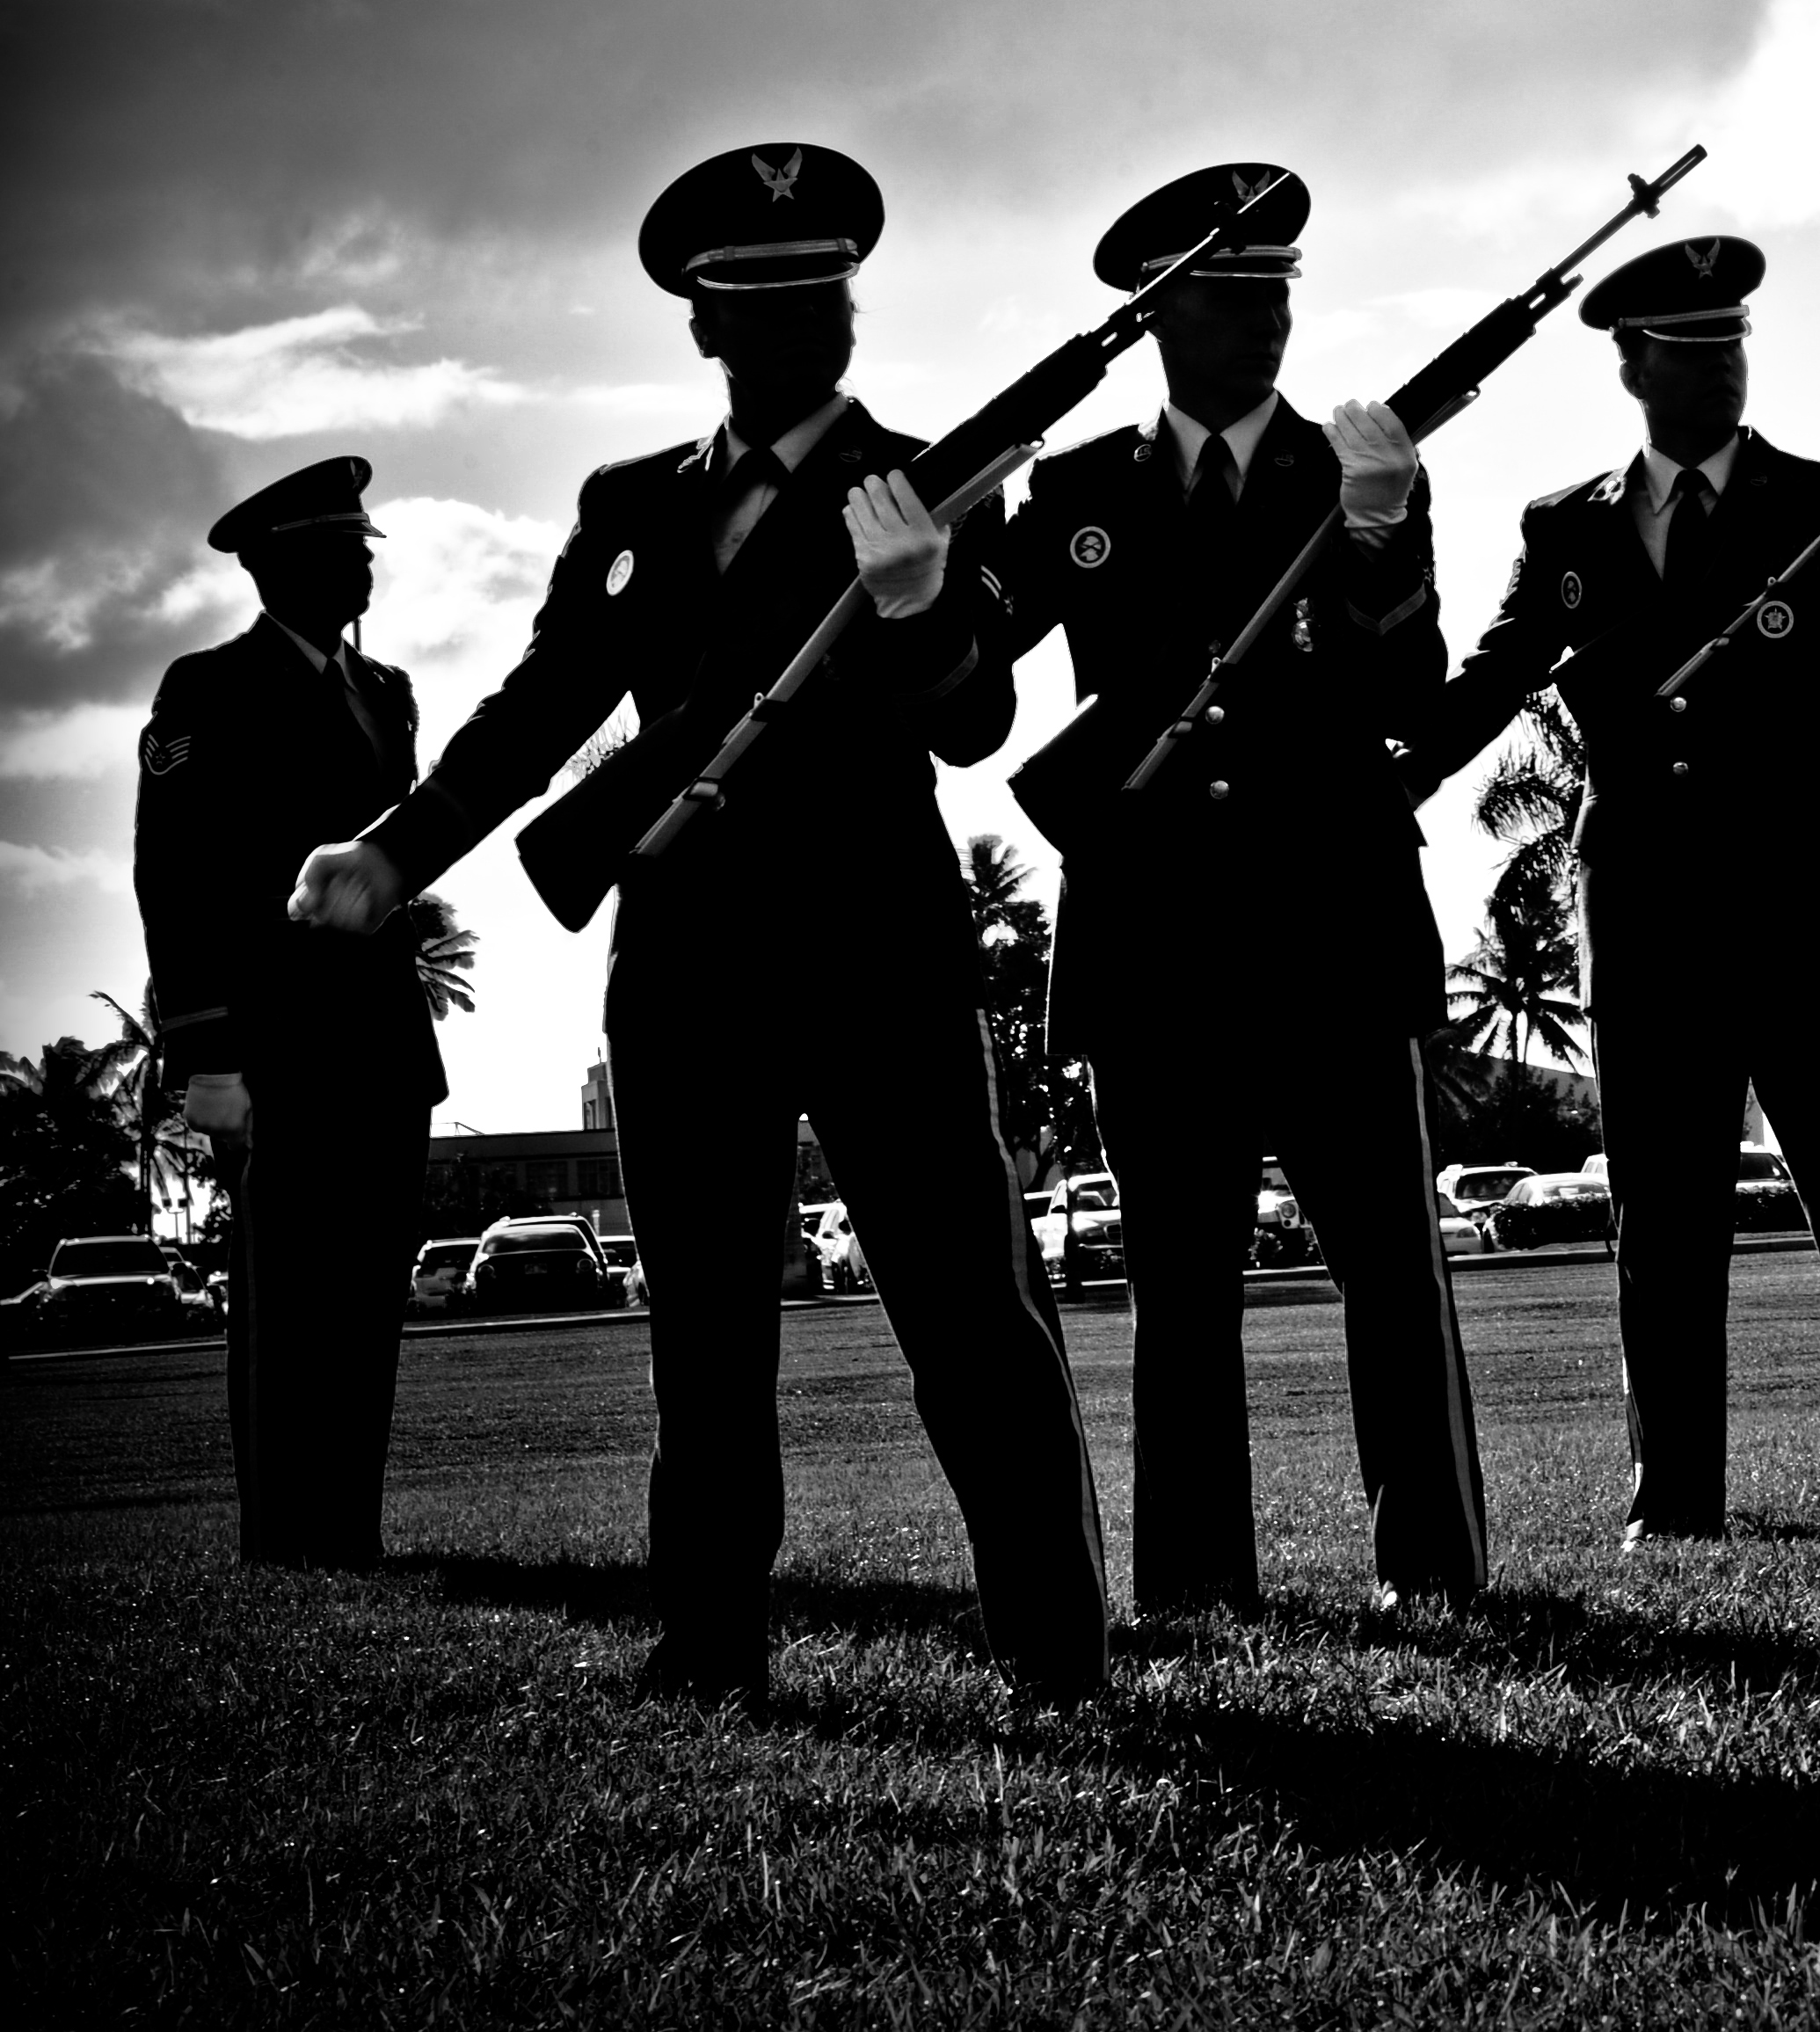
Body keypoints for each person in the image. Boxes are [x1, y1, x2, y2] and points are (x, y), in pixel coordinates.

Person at [289, 142, 1109, 1705]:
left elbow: (974, 723)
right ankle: (711, 1638)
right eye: (762, 301)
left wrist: (920, 599)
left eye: (824, 297)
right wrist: (398, 851)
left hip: (876, 948)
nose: (802, 326)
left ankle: (1056, 1646)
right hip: (684, 957)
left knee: (969, 1313)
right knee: (706, 1333)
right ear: (701, 323)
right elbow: (539, 709)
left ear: (853, 311)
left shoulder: (929, 478)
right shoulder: (632, 507)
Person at [1405, 233, 1820, 1540]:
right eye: (1689, 348)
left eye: (1732, 345)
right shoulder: (1567, 524)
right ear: (1631, 365)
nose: (1719, 368)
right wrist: (1395, 771)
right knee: (1661, 1214)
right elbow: (1499, 668)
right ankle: (1674, 1498)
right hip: (1648, 905)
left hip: (1804, 894)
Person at [986, 161, 1487, 1613]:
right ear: (1159, 316)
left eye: (1274, 291)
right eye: (1225, 294)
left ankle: (1432, 1563)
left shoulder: (1358, 467)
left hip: (1330, 919)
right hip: (1155, 934)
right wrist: (920, 568)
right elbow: (970, 662)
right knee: (1181, 1287)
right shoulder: (1080, 491)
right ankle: (1198, 1582)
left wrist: (1381, 541)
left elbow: (1409, 688)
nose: (1261, 318)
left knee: (1389, 1266)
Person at [133, 457, 444, 1568]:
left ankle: (348, 1529)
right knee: (289, 1302)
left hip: (383, 1043)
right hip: (277, 1045)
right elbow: (174, 879)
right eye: (341, 548)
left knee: (364, 1301)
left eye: (363, 546)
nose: (364, 565)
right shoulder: (207, 688)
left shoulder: (387, 690)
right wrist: (208, 1056)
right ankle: (284, 1538)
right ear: (278, 567)